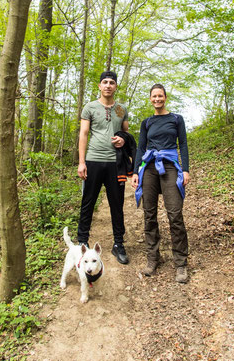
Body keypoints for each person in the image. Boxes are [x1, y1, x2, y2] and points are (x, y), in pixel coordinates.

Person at [131, 83, 190, 282]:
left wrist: (186, 169)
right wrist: (135, 172)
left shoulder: (176, 119)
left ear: (165, 97)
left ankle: (181, 263)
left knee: (175, 213)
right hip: (149, 168)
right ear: (150, 99)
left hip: (170, 166)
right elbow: (140, 148)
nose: (157, 99)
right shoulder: (146, 122)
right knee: (149, 214)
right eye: (154, 96)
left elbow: (182, 144)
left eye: (160, 96)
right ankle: (153, 258)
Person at [77, 71, 130, 264]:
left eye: (112, 82)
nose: (108, 85)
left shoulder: (121, 109)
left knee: (117, 205)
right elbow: (83, 134)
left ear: (116, 87)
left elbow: (126, 134)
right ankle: (82, 243)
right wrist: (82, 162)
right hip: (93, 160)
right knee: (88, 202)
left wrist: (123, 140)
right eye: (105, 82)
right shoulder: (90, 107)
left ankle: (118, 244)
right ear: (99, 86)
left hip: (116, 163)